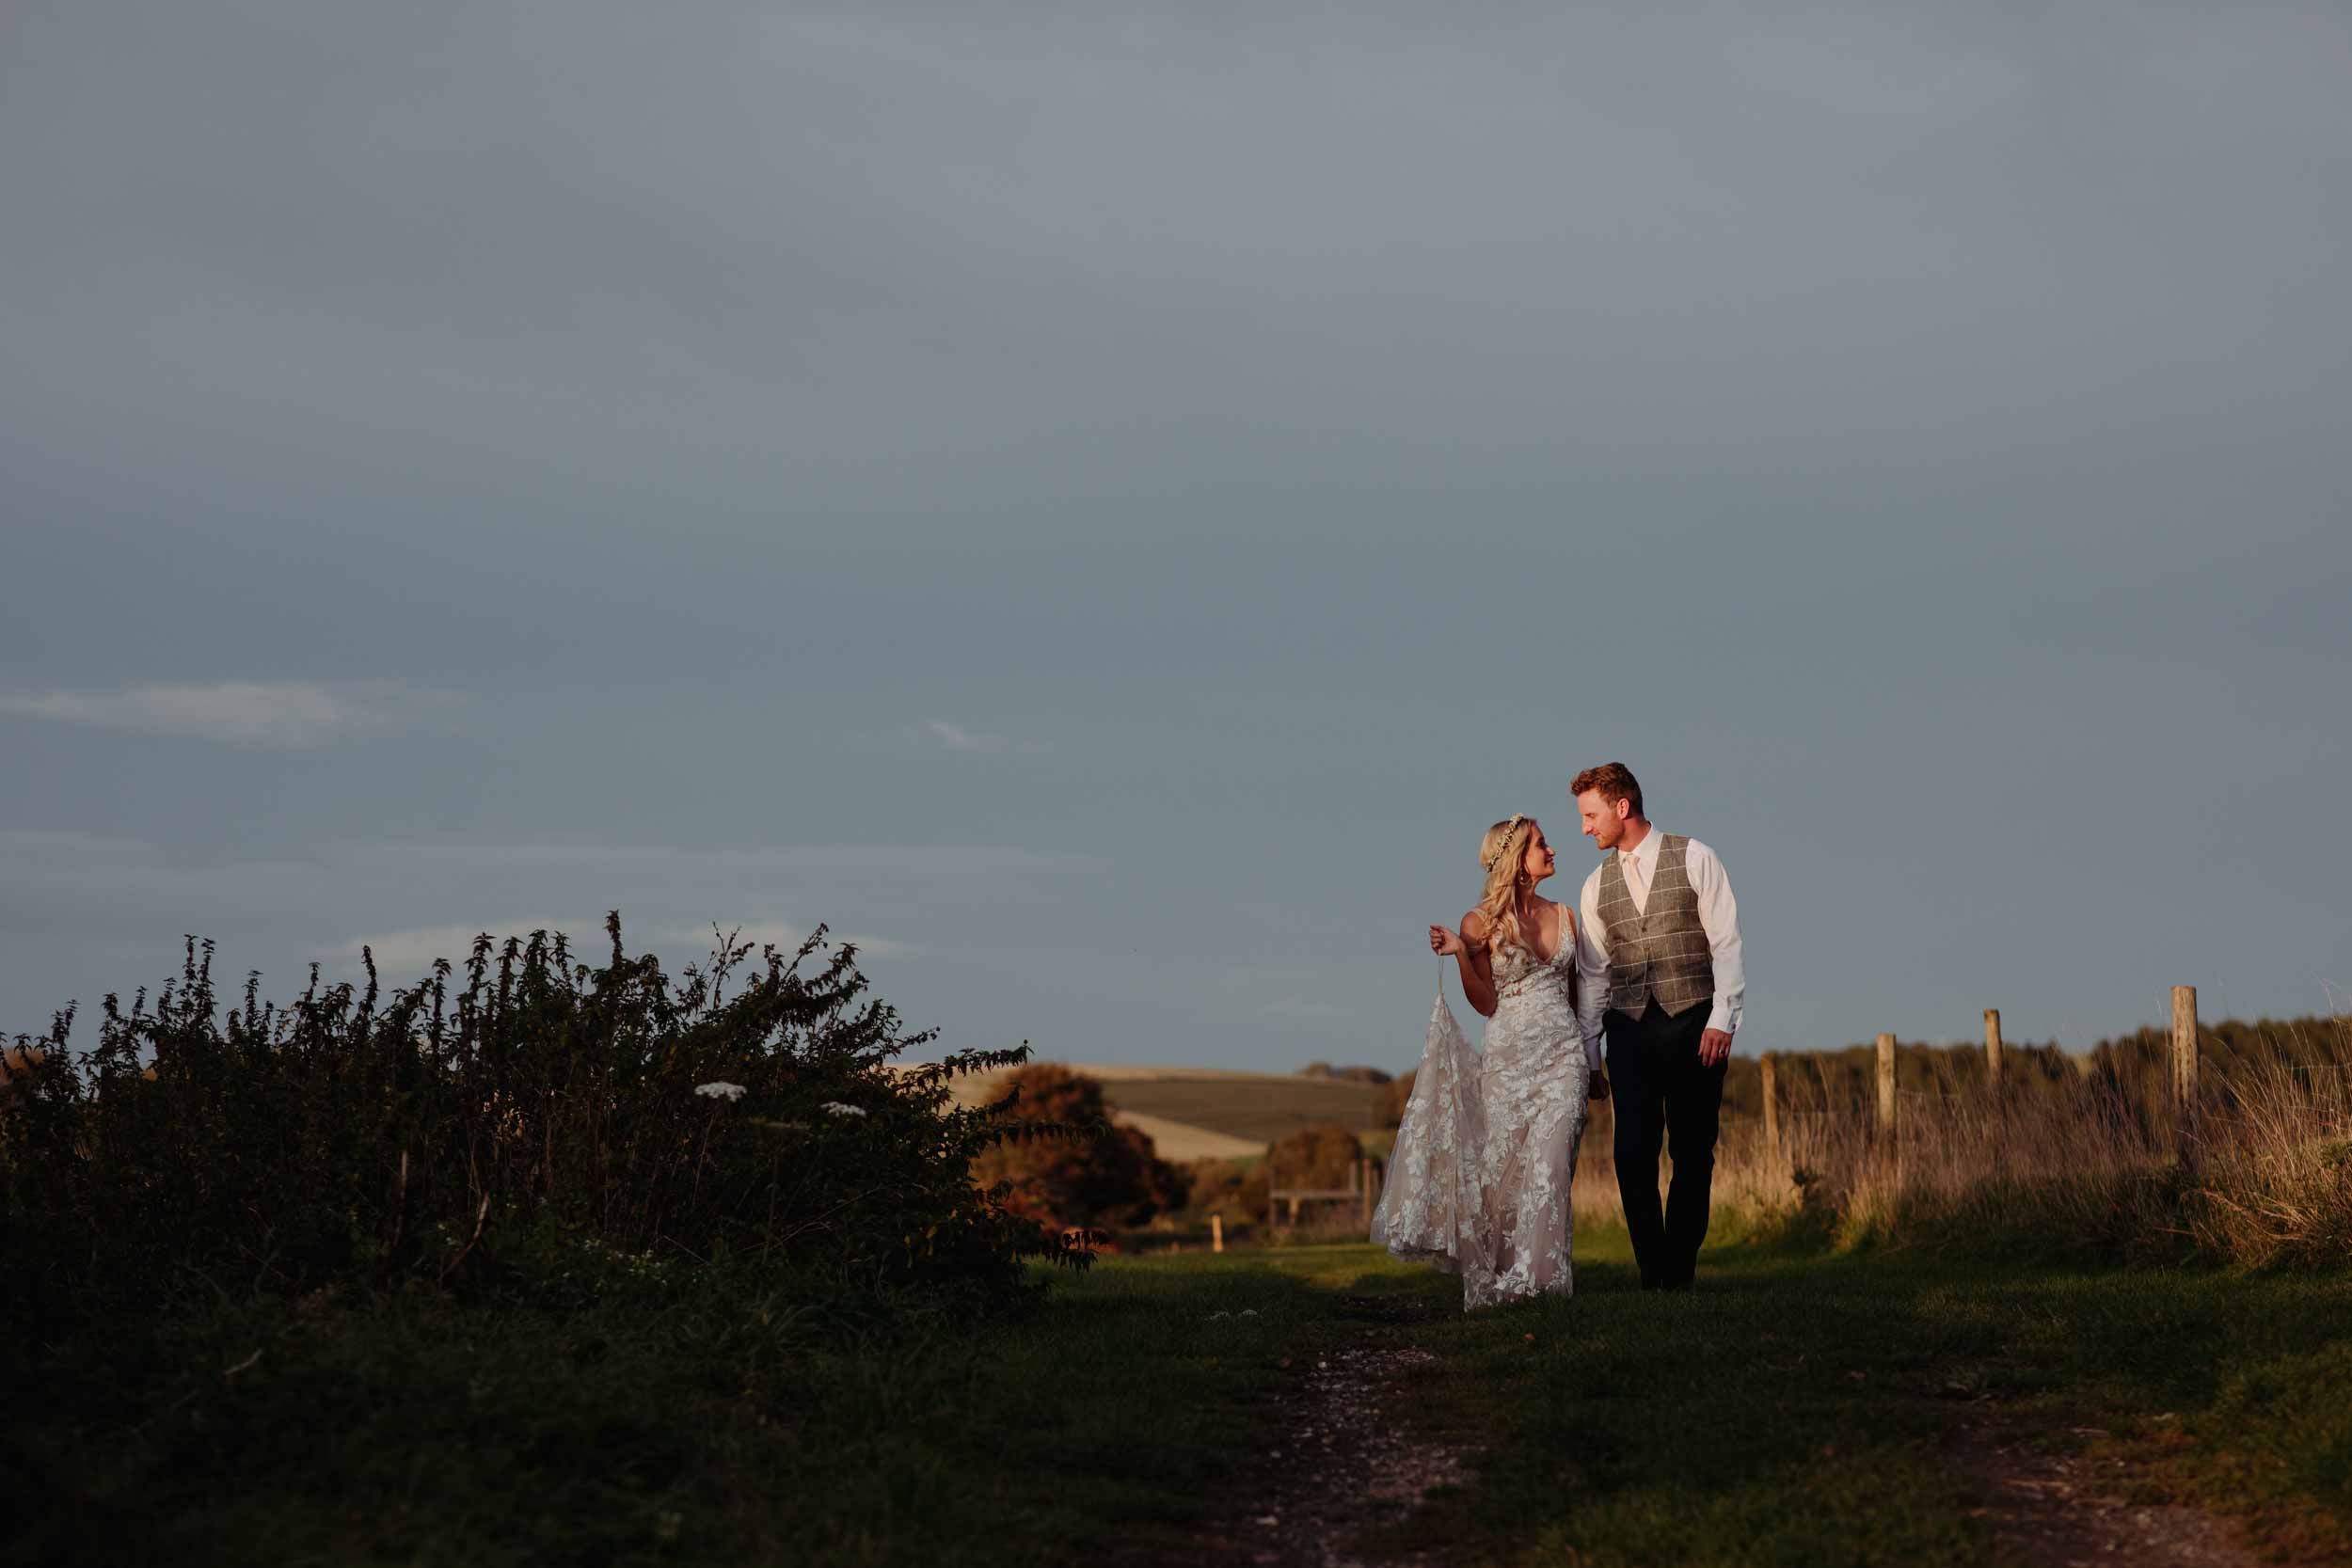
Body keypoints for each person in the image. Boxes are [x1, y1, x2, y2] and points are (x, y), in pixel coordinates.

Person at [1373, 814, 1609, 1309]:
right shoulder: (1478, 923)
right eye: (1543, 845)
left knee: (1551, 1168)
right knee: (1505, 1178)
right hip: (1509, 1063)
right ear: (1518, 859)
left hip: (1563, 1057)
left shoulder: (1567, 916)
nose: (1553, 851)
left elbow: (1576, 992)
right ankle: (1504, 1275)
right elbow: (1485, 1002)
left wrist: (1591, 1060)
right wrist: (1462, 953)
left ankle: (1542, 1283)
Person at [1569, 762, 1744, 1291]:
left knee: (1693, 1152)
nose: (1585, 828)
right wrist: (1591, 1055)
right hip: (1629, 1032)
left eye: (1590, 814)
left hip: (1695, 1023)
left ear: (1622, 807)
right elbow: (1595, 976)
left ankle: (1680, 1270)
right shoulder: (1595, 886)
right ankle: (1653, 1270)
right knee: (1631, 1155)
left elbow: (1726, 941)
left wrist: (1723, 1018)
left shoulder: (1695, 857)